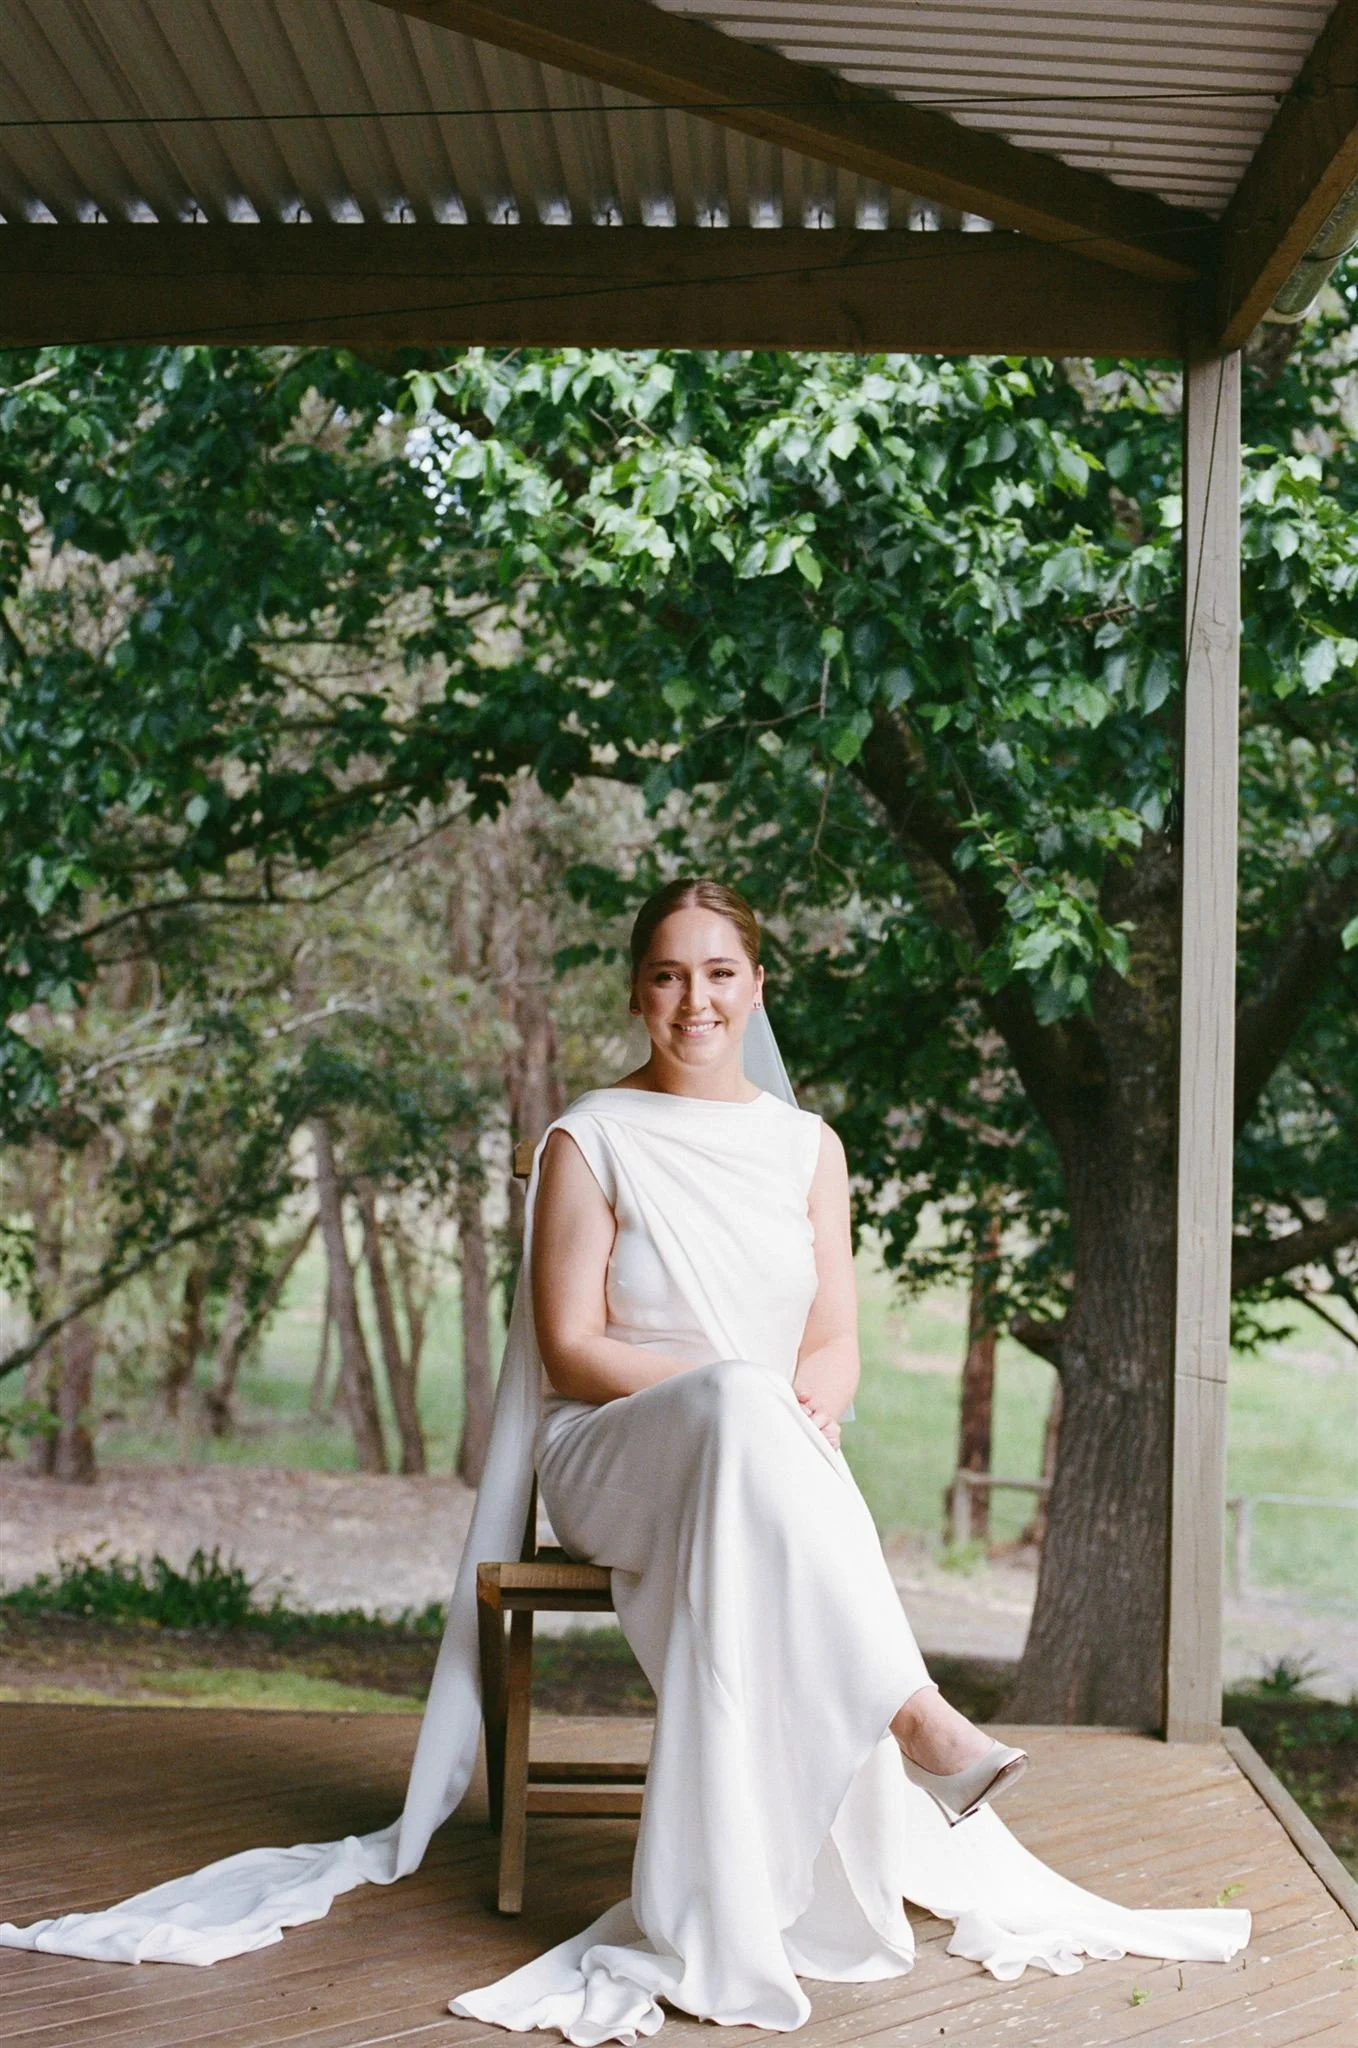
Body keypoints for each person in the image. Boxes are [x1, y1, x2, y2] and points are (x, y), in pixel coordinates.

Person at [0, 878, 1249, 2041]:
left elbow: (836, 1328)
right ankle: (912, 1708)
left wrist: (820, 1378)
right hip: (611, 1453)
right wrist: (744, 1386)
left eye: (717, 973)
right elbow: (571, 1345)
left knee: (754, 1419)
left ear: (757, 986)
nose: (692, 1001)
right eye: (664, 976)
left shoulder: (810, 1146)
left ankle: (891, 1721)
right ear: (634, 991)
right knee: (738, 1407)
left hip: (752, 1463)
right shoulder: (588, 1137)